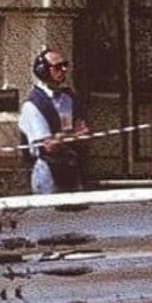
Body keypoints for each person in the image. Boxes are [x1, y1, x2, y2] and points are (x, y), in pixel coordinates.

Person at [19, 49, 93, 194]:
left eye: (65, 65)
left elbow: (85, 132)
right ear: (43, 71)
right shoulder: (33, 105)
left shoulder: (69, 99)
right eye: (58, 67)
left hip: (71, 167)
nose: (64, 70)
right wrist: (72, 136)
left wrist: (63, 138)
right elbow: (49, 147)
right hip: (47, 170)